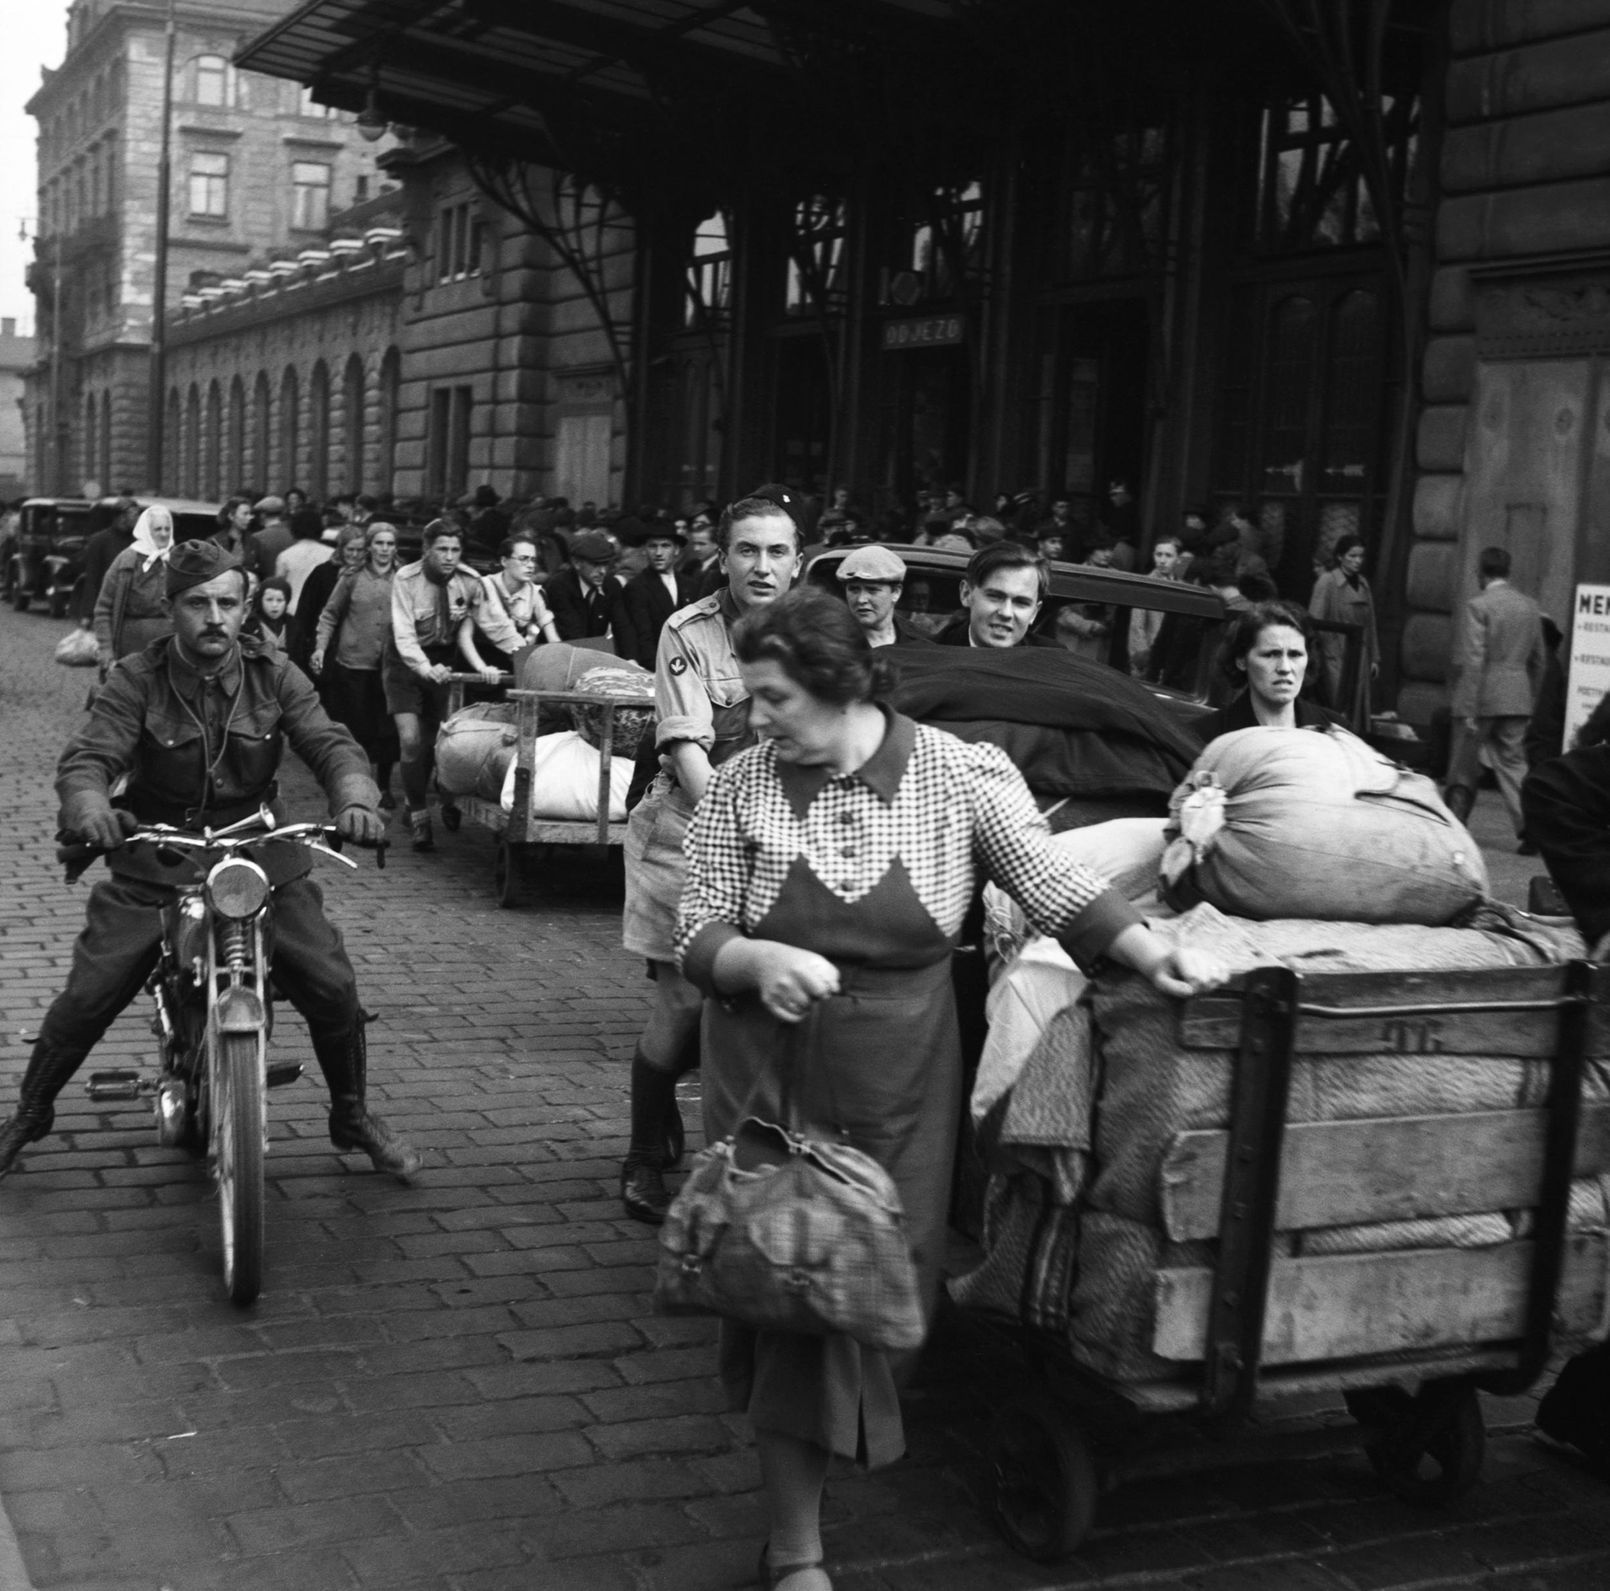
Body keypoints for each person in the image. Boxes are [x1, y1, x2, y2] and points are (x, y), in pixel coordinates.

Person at [676, 589, 1227, 1590]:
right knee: (791, 1294)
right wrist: (751, 957)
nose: (752, 719)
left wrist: (1152, 952)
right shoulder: (740, 786)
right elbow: (696, 925)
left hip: (899, 1084)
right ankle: (795, 1545)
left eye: (771, 698)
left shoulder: (957, 773)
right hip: (766, 1081)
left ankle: (836, 1452)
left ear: (841, 689)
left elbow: (1049, 881)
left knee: (881, 1297)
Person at [0, 540, 418, 1182]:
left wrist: (356, 799)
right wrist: (91, 812)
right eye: (198, 602)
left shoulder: (274, 673)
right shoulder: (135, 679)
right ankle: (30, 1113)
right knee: (90, 993)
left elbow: (330, 743)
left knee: (332, 985)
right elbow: (88, 759)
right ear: (171, 609)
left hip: (258, 853)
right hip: (158, 854)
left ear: (246, 607)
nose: (215, 617)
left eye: (228, 602)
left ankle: (352, 1113)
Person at [619, 492, 805, 1224]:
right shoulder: (687, 630)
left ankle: (755, 1164)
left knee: (772, 1004)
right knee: (686, 998)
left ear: (798, 558)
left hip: (789, 837)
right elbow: (688, 749)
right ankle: (639, 1155)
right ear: (723, 557)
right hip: (688, 830)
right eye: (747, 551)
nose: (762, 566)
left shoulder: (815, 631)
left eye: (777, 551)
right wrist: (744, 826)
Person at [387, 520, 485, 851]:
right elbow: (403, 634)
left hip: (446, 662)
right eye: (442, 549)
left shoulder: (470, 582)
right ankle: (418, 816)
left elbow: (476, 628)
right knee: (411, 740)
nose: (449, 557)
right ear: (427, 549)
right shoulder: (406, 579)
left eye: (455, 550)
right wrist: (425, 669)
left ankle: (439, 797)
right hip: (405, 661)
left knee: (440, 739)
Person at [1444, 545, 1547, 849]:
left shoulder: (1478, 606)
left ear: (1481, 572)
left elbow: (1475, 660)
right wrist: (1530, 699)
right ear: (1508, 571)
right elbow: (1541, 660)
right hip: (1518, 696)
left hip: (1482, 697)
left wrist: (1471, 708)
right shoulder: (1529, 606)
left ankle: (1455, 824)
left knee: (1463, 763)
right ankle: (1531, 829)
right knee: (1514, 764)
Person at [312, 522, 402, 808]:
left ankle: (385, 786)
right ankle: (360, 785)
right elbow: (329, 615)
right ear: (370, 547)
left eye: (389, 544)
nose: (384, 550)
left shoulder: (403, 578)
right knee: (357, 728)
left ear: (395, 548)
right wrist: (320, 648)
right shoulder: (351, 577)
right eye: (379, 544)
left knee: (388, 729)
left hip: (390, 666)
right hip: (353, 666)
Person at [1195, 600, 1346, 742]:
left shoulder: (1336, 731)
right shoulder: (1205, 735)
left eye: (1295, 654)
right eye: (1271, 654)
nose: (1285, 668)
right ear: (1241, 660)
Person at [461, 533, 560, 676]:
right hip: (477, 668)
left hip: (513, 665)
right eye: (523, 559)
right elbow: (464, 636)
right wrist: (482, 668)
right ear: (504, 561)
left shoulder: (535, 593)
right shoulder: (482, 588)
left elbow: (552, 637)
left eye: (533, 560)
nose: (530, 565)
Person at [93, 505, 176, 671]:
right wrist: (106, 649)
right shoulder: (126, 560)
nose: (164, 534)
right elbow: (103, 609)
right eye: (157, 529)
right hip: (131, 648)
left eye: (167, 529)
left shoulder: (178, 559)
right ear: (146, 530)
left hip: (169, 648)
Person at [935, 540, 1057, 649]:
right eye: (995, 597)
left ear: (1034, 613)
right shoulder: (930, 655)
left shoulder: (1053, 661)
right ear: (966, 594)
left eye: (1021, 603)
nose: (1006, 613)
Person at [1308, 534, 1379, 720]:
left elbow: (1370, 624)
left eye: (1360, 556)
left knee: (1358, 708)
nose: (1357, 561)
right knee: (1337, 707)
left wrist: (1374, 657)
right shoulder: (1327, 581)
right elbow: (1315, 621)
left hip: (1360, 655)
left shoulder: (1363, 583)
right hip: (1334, 655)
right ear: (1340, 557)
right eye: (1352, 556)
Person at [615, 522, 698, 671]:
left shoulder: (690, 585)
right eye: (652, 546)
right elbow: (642, 636)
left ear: (677, 550)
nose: (658, 553)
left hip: (690, 666)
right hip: (656, 667)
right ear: (644, 551)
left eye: (665, 546)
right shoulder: (637, 587)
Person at [833, 545, 931, 648]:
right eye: (854, 589)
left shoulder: (920, 643)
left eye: (872, 590)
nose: (861, 599)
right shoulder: (832, 643)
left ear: (896, 592)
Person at [73, 494, 141, 628]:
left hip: (133, 609)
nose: (137, 518)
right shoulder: (99, 541)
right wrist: (88, 614)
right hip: (107, 607)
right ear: (121, 516)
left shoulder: (138, 542)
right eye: (134, 514)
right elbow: (92, 578)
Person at [545, 529, 621, 643]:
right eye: (595, 564)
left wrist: (630, 658)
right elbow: (572, 633)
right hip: (562, 652)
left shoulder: (611, 584)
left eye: (605, 564)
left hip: (593, 649)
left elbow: (623, 626)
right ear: (576, 563)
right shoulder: (559, 586)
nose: (602, 571)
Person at [1128, 534, 1180, 676]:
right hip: (1147, 659)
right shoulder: (1144, 585)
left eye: (1168, 556)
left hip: (1172, 659)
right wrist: (1144, 660)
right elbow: (1136, 626)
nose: (1162, 560)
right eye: (1159, 555)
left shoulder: (1182, 587)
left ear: (1178, 559)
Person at [274, 508, 334, 612]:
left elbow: (278, 586)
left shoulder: (285, 556)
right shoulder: (331, 554)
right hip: (321, 611)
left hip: (292, 610)